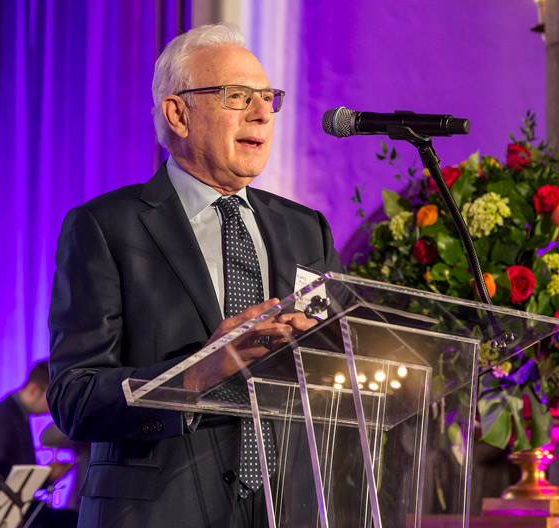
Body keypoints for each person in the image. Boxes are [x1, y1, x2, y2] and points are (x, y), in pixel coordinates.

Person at [47, 22, 341, 528]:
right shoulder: (105, 226)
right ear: (178, 113)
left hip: (288, 510)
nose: (262, 112)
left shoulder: (306, 229)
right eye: (237, 96)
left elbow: (339, 356)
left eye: (268, 97)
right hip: (160, 512)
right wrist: (199, 372)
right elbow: (75, 398)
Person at [0, 360, 76, 527]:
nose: (52, 408)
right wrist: (47, 476)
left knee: (73, 518)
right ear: (34, 390)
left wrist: (46, 475)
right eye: (51, 399)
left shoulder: (14, 414)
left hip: (14, 509)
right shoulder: (0, 420)